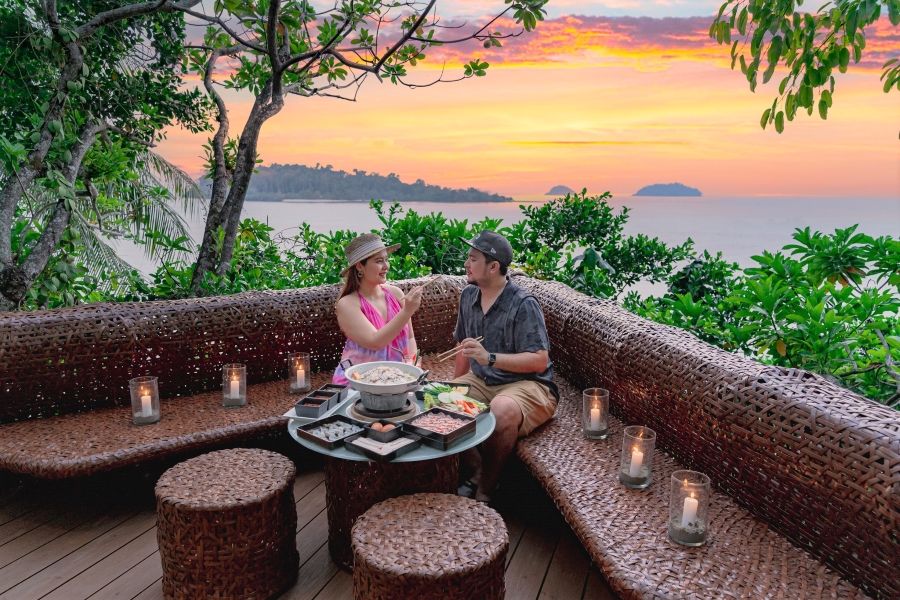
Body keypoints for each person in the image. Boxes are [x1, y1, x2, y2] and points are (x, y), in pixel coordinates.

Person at [451, 231, 559, 503]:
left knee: (501, 409)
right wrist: (452, 391)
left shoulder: (523, 304)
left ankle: (486, 491)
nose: (466, 264)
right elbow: (463, 347)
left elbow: (539, 359)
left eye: (473, 259)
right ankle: (477, 471)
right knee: (440, 400)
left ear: (493, 267)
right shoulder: (468, 296)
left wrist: (489, 358)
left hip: (530, 384)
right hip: (483, 380)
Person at [333, 233, 424, 384]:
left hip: (398, 379)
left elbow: (410, 338)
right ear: (360, 266)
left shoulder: (396, 294)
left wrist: (412, 367)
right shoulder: (347, 304)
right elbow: (375, 342)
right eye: (379, 261)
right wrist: (407, 311)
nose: (386, 266)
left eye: (386, 259)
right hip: (358, 381)